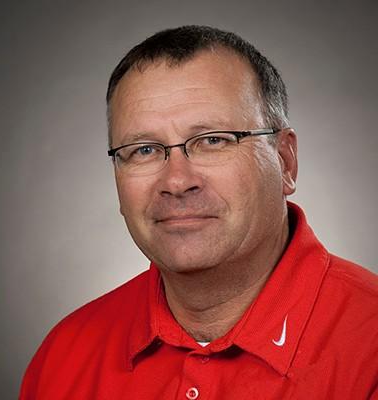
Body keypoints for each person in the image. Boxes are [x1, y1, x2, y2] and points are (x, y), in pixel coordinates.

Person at [19, 25, 378, 399]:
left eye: (213, 140)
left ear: (284, 161)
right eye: (143, 149)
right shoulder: (63, 357)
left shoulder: (369, 348)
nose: (176, 181)